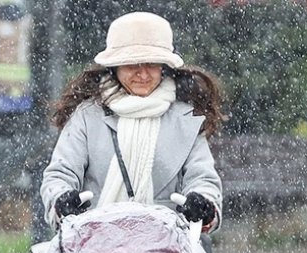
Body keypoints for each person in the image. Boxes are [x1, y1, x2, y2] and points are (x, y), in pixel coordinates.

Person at [40, 11, 224, 239]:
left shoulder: (186, 118)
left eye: (152, 64)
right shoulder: (87, 116)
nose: (143, 74)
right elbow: (60, 174)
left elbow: (202, 179)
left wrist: (202, 206)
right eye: (132, 64)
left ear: (164, 67)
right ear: (114, 67)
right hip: (94, 251)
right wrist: (62, 201)